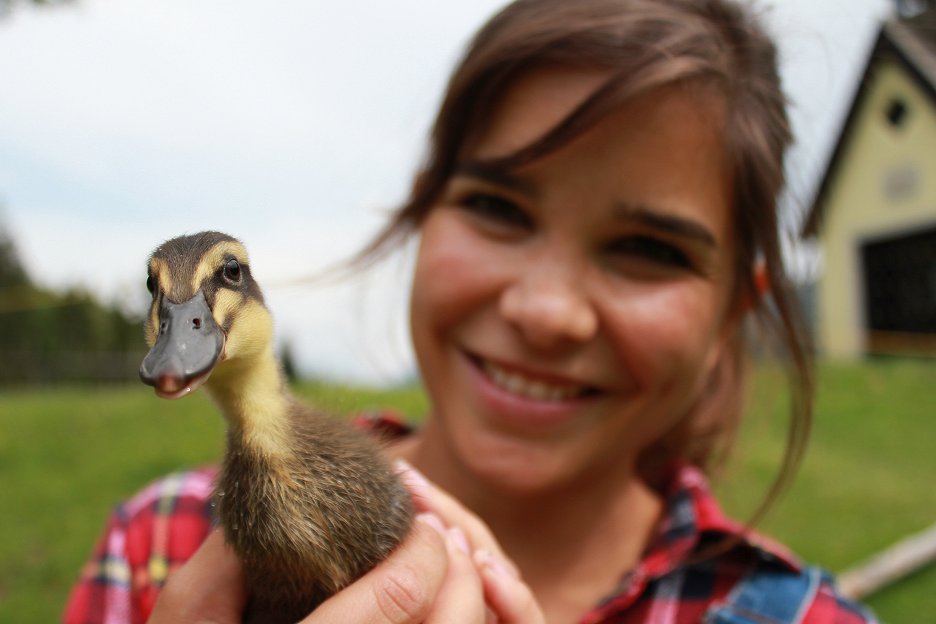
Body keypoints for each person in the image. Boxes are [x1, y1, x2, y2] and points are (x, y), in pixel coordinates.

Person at [64, 0, 878, 622]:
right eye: (498, 206)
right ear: (425, 212)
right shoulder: (159, 546)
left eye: (651, 250)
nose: (545, 311)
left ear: (733, 312)